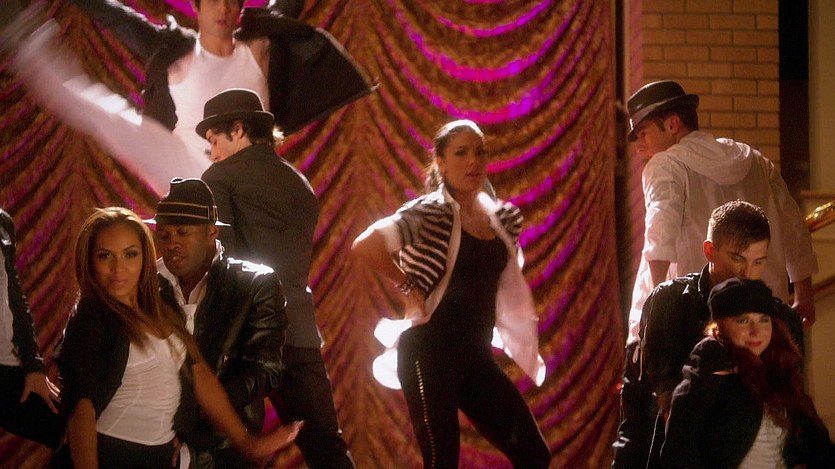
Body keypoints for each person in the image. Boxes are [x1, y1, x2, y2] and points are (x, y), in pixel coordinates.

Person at [2, 0, 373, 194]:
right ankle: (24, 38)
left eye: (231, 2)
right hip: (185, 168)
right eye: (214, 1)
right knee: (102, 113)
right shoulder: (175, 52)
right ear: (197, 7)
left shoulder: (259, 48)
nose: (223, 9)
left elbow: (291, 4)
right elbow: (118, 18)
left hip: (247, 178)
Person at [351, 119, 550, 468]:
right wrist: (408, 285)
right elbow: (366, 245)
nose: (473, 161)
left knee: (534, 454)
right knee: (442, 461)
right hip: (428, 349)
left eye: (480, 152)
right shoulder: (431, 212)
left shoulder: (502, 220)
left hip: (474, 355)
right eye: (461, 153)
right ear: (440, 163)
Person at [55, 207, 301, 468]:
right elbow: (80, 409)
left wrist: (247, 443)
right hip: (110, 454)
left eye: (130, 254)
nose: (119, 268)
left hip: (158, 457)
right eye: (105, 256)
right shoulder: (92, 317)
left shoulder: (161, 309)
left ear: (145, 257)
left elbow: (199, 374)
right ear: (90, 261)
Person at [197, 88, 354, 468]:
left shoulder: (219, 177)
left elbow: (223, 261)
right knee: (326, 447)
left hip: (242, 336)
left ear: (238, 129)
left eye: (214, 140)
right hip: (297, 331)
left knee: (224, 448)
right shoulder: (300, 183)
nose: (212, 152)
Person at [611, 200, 804, 469]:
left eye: (758, 261)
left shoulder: (781, 318)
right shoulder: (670, 302)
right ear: (710, 251)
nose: (747, 273)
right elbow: (660, 404)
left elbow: (795, 409)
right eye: (737, 258)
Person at [625, 80, 818, 343]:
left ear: (672, 124)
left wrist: (655, 310)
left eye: (643, 133)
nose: (639, 147)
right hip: (765, 319)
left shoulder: (665, 165)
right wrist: (804, 294)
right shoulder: (754, 160)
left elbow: (660, 234)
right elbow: (793, 227)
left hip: (697, 322)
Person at [146, 177, 291, 468]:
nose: (172, 243)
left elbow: (265, 370)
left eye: (182, 232)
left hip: (223, 448)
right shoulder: (145, 283)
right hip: (153, 441)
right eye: (163, 235)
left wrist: (196, 412)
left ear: (212, 232)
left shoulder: (254, 284)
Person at [662, 278, 835, 468]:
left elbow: (817, 440)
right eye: (743, 321)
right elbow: (680, 447)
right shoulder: (711, 363)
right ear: (720, 326)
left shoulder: (778, 366)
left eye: (764, 320)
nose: (756, 331)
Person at [0, 208, 63, 448]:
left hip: (6, 366)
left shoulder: (2, 222)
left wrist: (33, 364)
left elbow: (14, 295)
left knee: (70, 432)